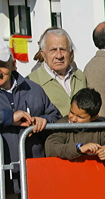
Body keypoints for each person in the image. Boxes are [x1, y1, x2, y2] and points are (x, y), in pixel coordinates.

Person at [0, 40, 61, 196]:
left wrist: (44, 121)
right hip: (2, 179)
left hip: (33, 175)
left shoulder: (33, 88)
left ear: (13, 64)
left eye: (2, 65)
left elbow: (56, 116)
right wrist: (9, 117)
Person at [45, 88, 105, 160]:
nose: (73, 119)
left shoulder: (100, 127)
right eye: (71, 112)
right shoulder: (62, 125)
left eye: (80, 117)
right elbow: (51, 148)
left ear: (94, 117)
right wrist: (78, 148)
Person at [27, 28, 87, 116]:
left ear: (71, 53)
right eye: (53, 50)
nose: (59, 56)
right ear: (43, 54)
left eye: (63, 49)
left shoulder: (79, 75)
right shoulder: (31, 82)